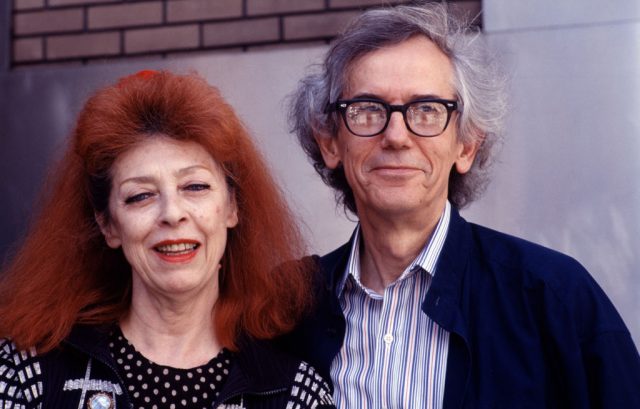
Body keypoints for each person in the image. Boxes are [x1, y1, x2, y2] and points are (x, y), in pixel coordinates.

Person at [285, 3, 640, 408]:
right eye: (368, 110)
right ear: (330, 142)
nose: (397, 136)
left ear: (467, 144)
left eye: (427, 110)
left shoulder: (555, 299)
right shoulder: (286, 310)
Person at [0, 71, 335, 409]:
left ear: (232, 206)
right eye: (141, 196)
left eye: (195, 187)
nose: (172, 214)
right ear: (108, 225)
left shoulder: (293, 392)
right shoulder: (27, 372)